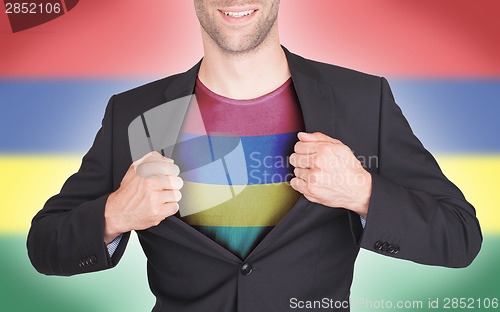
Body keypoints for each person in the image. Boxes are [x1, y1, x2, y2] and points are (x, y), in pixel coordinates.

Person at [27, 1, 482, 311]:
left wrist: (363, 192)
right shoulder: (134, 113)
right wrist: (113, 214)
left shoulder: (363, 100)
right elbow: (45, 246)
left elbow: (460, 237)